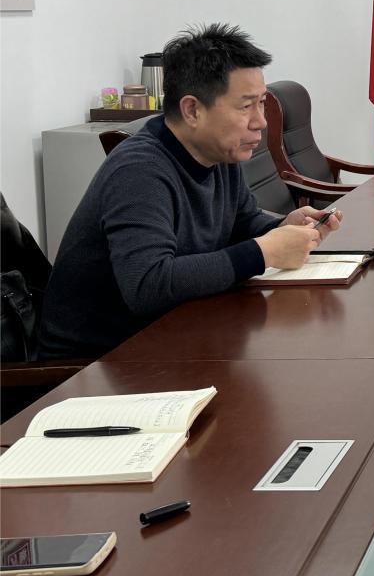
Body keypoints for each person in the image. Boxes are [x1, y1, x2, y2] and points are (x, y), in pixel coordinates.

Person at [38, 24, 343, 359]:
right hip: (97, 364)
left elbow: (242, 222)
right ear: (192, 110)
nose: (261, 121)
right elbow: (147, 285)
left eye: (261, 104)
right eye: (246, 107)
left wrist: (283, 227)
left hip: (174, 334)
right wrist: (263, 252)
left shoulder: (219, 152)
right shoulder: (139, 171)